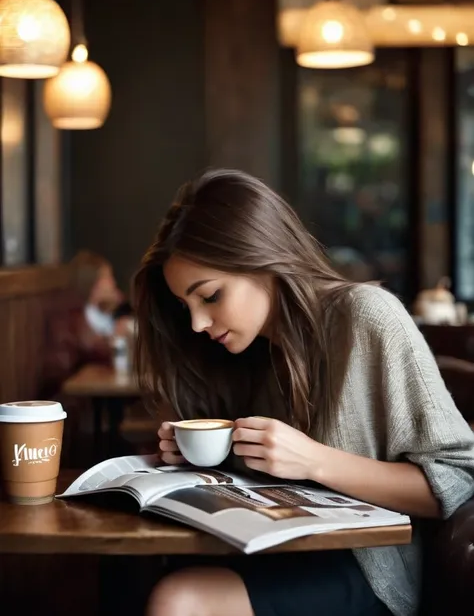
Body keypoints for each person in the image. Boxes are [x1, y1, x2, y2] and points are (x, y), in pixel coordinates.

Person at [133, 169, 474, 616]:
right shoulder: (249, 351)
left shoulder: (367, 318)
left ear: (263, 260)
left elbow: (456, 481)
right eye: (186, 306)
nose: (197, 323)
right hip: (274, 547)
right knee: (133, 578)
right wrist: (199, 455)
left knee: (180, 600)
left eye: (211, 296)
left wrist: (313, 459)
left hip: (366, 568)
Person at [42, 250, 126, 393]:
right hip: (76, 391)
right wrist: (116, 337)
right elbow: (92, 349)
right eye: (108, 277)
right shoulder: (73, 317)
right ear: (93, 282)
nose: (113, 282)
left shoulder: (99, 311)